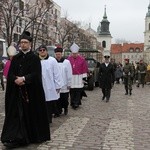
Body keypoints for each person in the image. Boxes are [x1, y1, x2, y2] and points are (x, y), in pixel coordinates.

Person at [1, 31, 50, 149]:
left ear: (30, 44)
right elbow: (10, 73)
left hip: (30, 94)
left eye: (25, 42)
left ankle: (28, 136)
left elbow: (36, 74)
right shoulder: (16, 58)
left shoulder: (34, 58)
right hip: (16, 93)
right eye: (21, 42)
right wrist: (15, 79)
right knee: (16, 115)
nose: (23, 45)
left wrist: (24, 79)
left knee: (28, 115)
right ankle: (14, 137)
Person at [38, 45, 62, 121]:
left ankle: (48, 119)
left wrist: (58, 85)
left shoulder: (52, 60)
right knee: (40, 103)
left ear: (46, 51)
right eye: (40, 50)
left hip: (49, 85)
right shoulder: (36, 60)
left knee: (48, 103)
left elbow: (57, 74)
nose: (42, 51)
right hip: (39, 85)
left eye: (43, 50)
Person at [68, 43, 88, 109]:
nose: (74, 55)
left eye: (75, 53)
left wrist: (84, 77)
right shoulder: (68, 59)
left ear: (77, 52)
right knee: (72, 91)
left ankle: (77, 103)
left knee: (78, 91)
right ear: (71, 53)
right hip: (71, 77)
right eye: (73, 54)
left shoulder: (82, 59)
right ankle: (73, 102)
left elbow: (84, 68)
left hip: (79, 77)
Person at [54, 46, 72, 115]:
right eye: (56, 54)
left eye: (59, 54)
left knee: (64, 98)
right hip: (56, 84)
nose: (58, 56)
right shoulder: (53, 62)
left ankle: (65, 108)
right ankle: (58, 111)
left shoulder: (66, 62)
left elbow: (69, 73)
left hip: (64, 84)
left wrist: (69, 83)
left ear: (61, 54)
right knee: (57, 99)